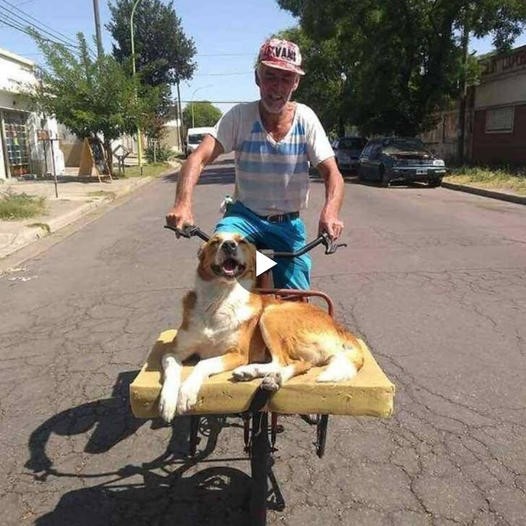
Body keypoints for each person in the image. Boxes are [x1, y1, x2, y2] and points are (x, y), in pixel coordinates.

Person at [166, 38, 345, 290]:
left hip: (287, 224)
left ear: (296, 82)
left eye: (286, 78)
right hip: (243, 218)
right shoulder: (239, 117)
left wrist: (330, 213)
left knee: (297, 302)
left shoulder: (306, 119)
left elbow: (332, 173)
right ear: (257, 78)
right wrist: (182, 204)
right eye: (270, 76)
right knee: (216, 269)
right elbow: (198, 158)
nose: (277, 87)